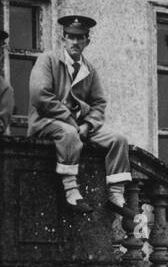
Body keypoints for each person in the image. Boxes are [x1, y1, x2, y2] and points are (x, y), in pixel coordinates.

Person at [28, 15, 130, 214]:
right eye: (71, 37)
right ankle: (71, 189)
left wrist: (88, 125)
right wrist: (70, 120)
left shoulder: (89, 69)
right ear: (63, 38)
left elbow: (99, 103)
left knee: (118, 139)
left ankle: (116, 194)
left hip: (79, 125)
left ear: (87, 41)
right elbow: (40, 95)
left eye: (80, 37)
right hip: (46, 120)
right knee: (69, 133)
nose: (75, 42)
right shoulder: (48, 60)